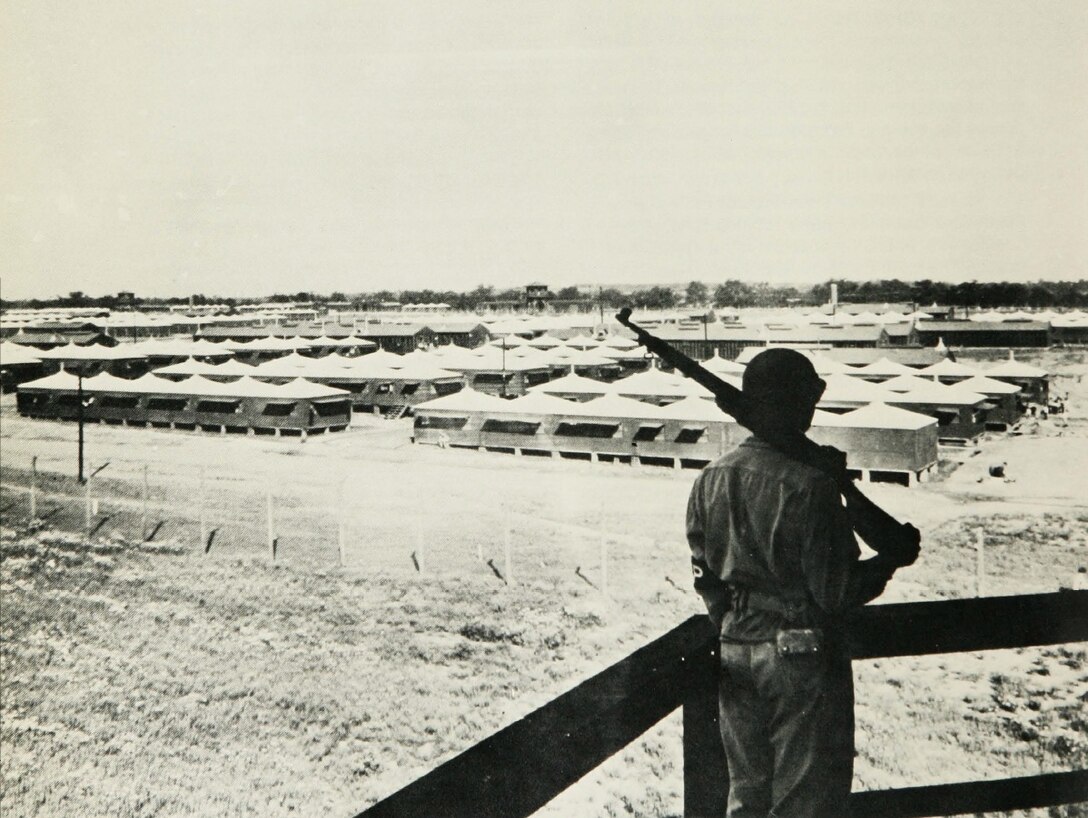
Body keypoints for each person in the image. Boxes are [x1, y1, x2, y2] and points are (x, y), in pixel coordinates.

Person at [686, 348, 918, 818]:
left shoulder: (710, 477)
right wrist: (887, 562)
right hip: (799, 654)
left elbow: (704, 573)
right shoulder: (810, 484)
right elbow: (837, 592)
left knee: (746, 797)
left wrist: (738, 620)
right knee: (803, 803)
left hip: (734, 644)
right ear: (796, 403)